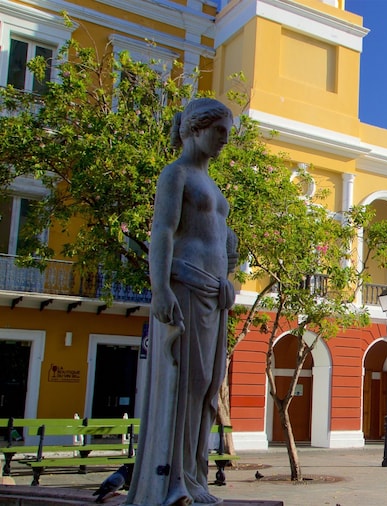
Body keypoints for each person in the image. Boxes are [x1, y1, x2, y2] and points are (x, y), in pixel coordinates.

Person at [127, 98, 238, 506]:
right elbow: (162, 231)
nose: (224, 141)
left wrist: (228, 280)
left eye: (227, 133)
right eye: (219, 132)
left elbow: (219, 241)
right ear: (195, 128)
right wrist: (160, 288)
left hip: (213, 292)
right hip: (186, 284)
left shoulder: (213, 185)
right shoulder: (176, 175)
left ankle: (194, 475)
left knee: (207, 387)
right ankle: (174, 479)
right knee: (185, 385)